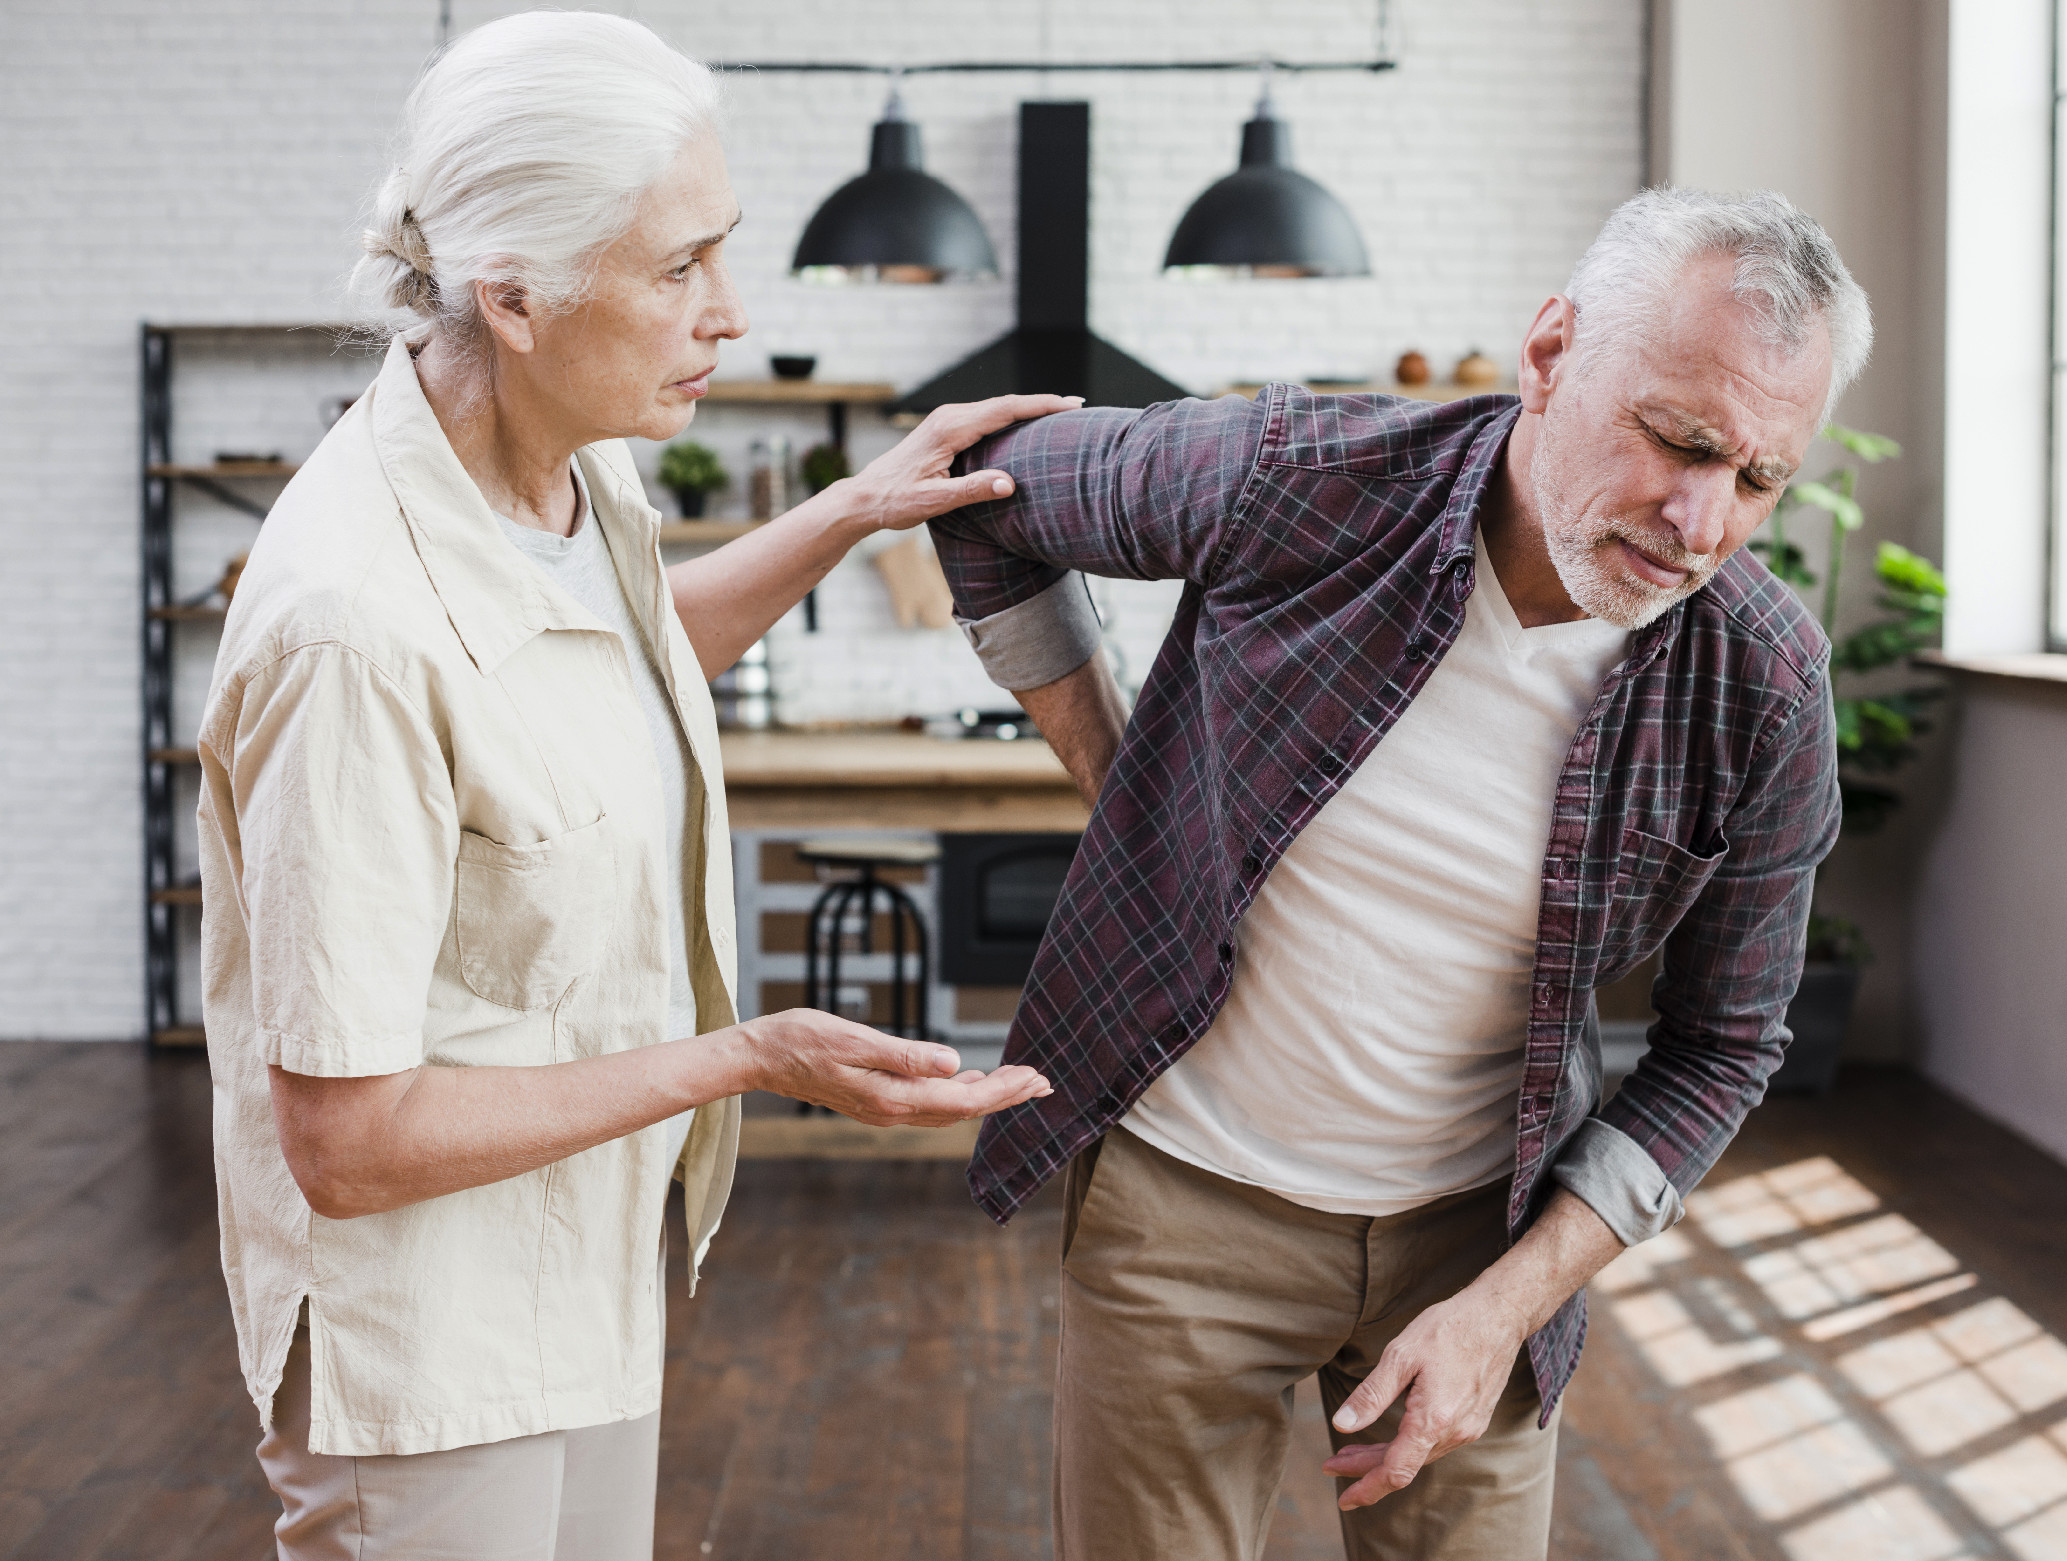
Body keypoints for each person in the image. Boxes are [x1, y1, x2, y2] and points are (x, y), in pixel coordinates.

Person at [196, 14, 1067, 1558]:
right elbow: (346, 1138)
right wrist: (742, 1055)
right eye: (678, 270)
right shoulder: (352, 627)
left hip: (582, 1272)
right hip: (429, 1351)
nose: (727, 312)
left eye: (719, 252)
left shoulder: (566, 469)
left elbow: (617, 651)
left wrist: (852, 511)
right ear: (512, 295)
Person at [930, 187, 1867, 1560]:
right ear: (1551, 353)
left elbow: (1723, 1046)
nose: (1699, 517)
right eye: (1677, 440)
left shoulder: (1767, 684)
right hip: (1183, 1204)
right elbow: (989, 491)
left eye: (1759, 479)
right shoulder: (1300, 474)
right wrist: (1121, 779)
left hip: (1481, 1236)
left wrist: (1502, 1310)